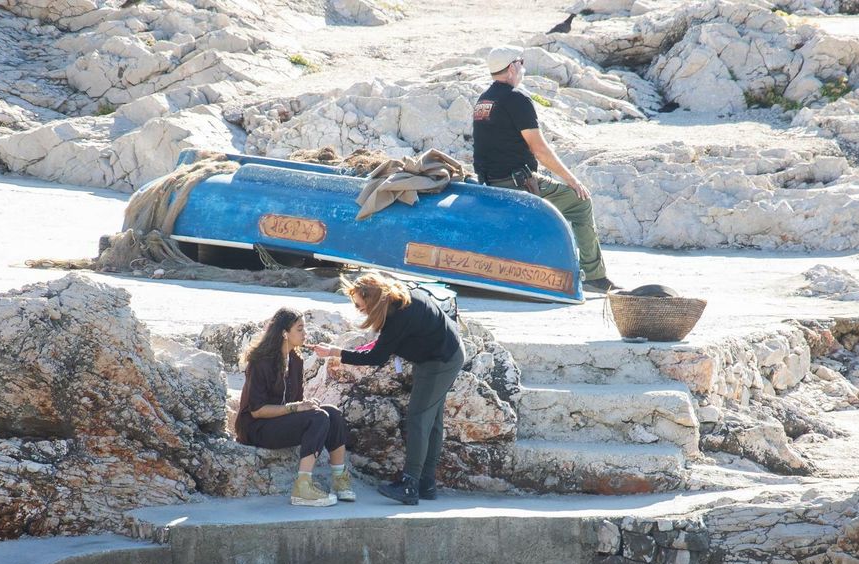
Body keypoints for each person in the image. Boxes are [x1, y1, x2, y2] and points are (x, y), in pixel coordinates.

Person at [473, 45, 619, 294]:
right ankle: (594, 276)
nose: (523, 68)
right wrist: (573, 180)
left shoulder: (483, 100)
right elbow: (539, 149)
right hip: (517, 184)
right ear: (512, 68)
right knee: (579, 202)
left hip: (490, 182)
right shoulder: (516, 99)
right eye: (521, 63)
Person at [313, 273, 465, 505]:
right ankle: (427, 483)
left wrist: (337, 353)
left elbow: (377, 356)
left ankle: (410, 484)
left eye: (358, 304)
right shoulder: (398, 301)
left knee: (418, 419)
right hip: (445, 353)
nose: (358, 309)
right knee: (432, 421)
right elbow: (385, 343)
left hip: (440, 360)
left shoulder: (399, 314)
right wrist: (338, 351)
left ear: (371, 298)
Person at [234, 308, 355, 507]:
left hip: (279, 422)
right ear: (284, 333)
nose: (305, 334)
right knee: (319, 418)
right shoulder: (260, 362)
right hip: (256, 428)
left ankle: (339, 478)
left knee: (331, 413)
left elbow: (295, 401)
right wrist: (296, 408)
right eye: (300, 329)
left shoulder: (296, 360)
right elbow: (257, 410)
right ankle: (303, 487)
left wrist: (304, 406)